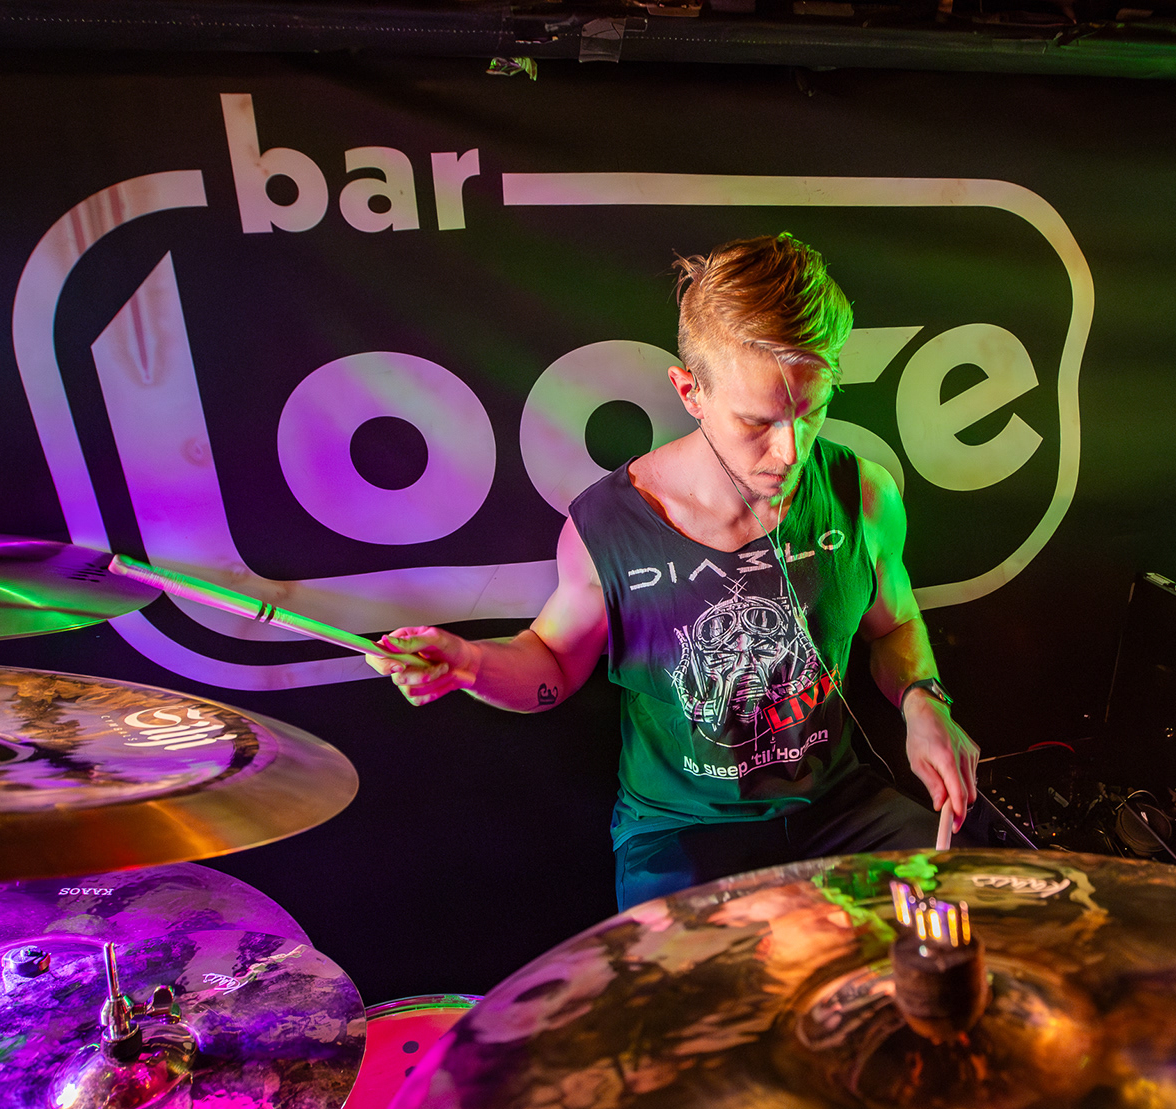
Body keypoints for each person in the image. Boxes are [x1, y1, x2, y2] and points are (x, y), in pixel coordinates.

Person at [366, 234, 980, 909]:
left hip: (837, 807)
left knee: (973, 915)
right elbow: (553, 662)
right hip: (685, 832)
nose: (790, 450)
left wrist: (923, 699)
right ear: (691, 392)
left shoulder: (862, 494)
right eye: (757, 423)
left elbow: (893, 625)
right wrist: (470, 665)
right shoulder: (609, 526)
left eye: (813, 412)